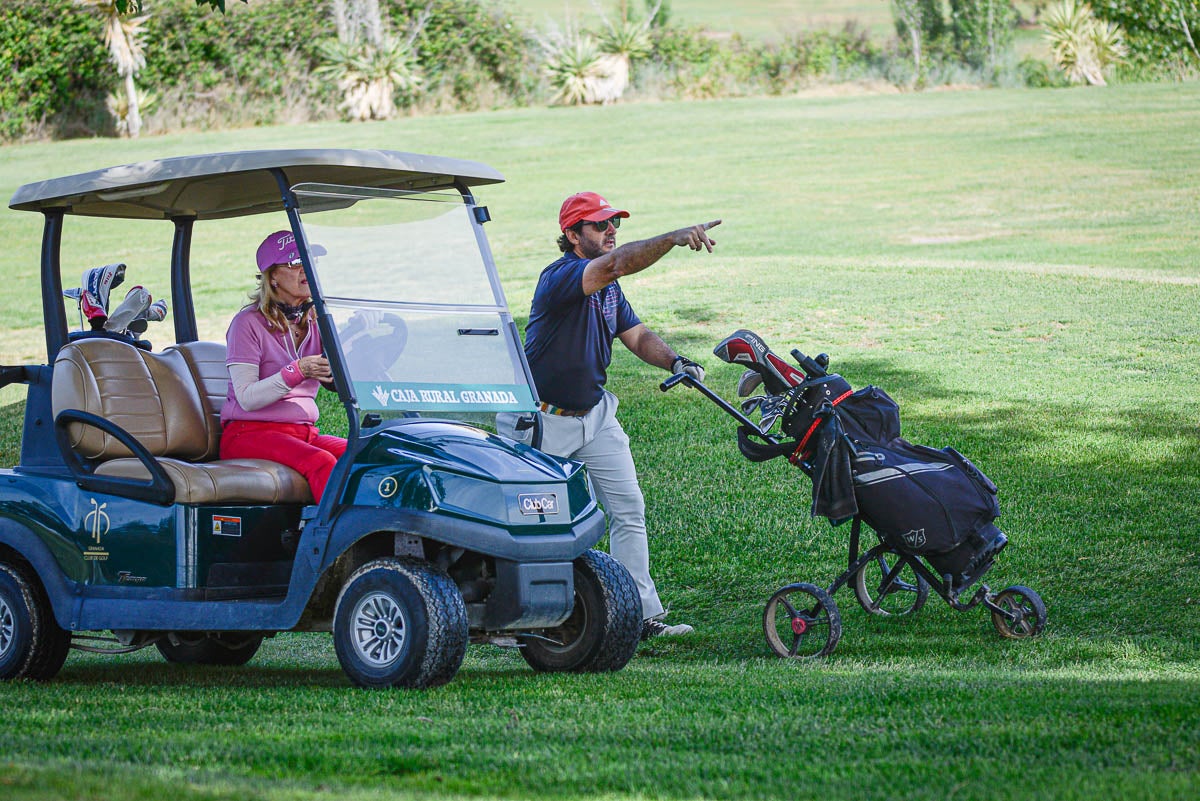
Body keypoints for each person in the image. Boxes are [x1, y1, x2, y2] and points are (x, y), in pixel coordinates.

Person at [499, 192, 721, 640]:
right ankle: (516, 619)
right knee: (529, 521)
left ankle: (639, 616)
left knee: (628, 509)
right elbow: (618, 263)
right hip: (541, 420)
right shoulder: (561, 277)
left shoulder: (608, 289)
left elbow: (637, 336)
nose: (611, 230)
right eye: (600, 225)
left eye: (613, 223)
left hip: (595, 416)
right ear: (572, 234)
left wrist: (675, 361)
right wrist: (674, 238)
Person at [219, 230, 346, 503]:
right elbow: (247, 398)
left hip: (303, 432)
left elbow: (337, 379)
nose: (305, 270)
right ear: (272, 276)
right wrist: (298, 371)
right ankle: (339, 540)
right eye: (293, 263)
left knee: (363, 455)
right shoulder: (247, 324)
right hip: (248, 432)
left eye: (308, 261)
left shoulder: (317, 320)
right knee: (321, 461)